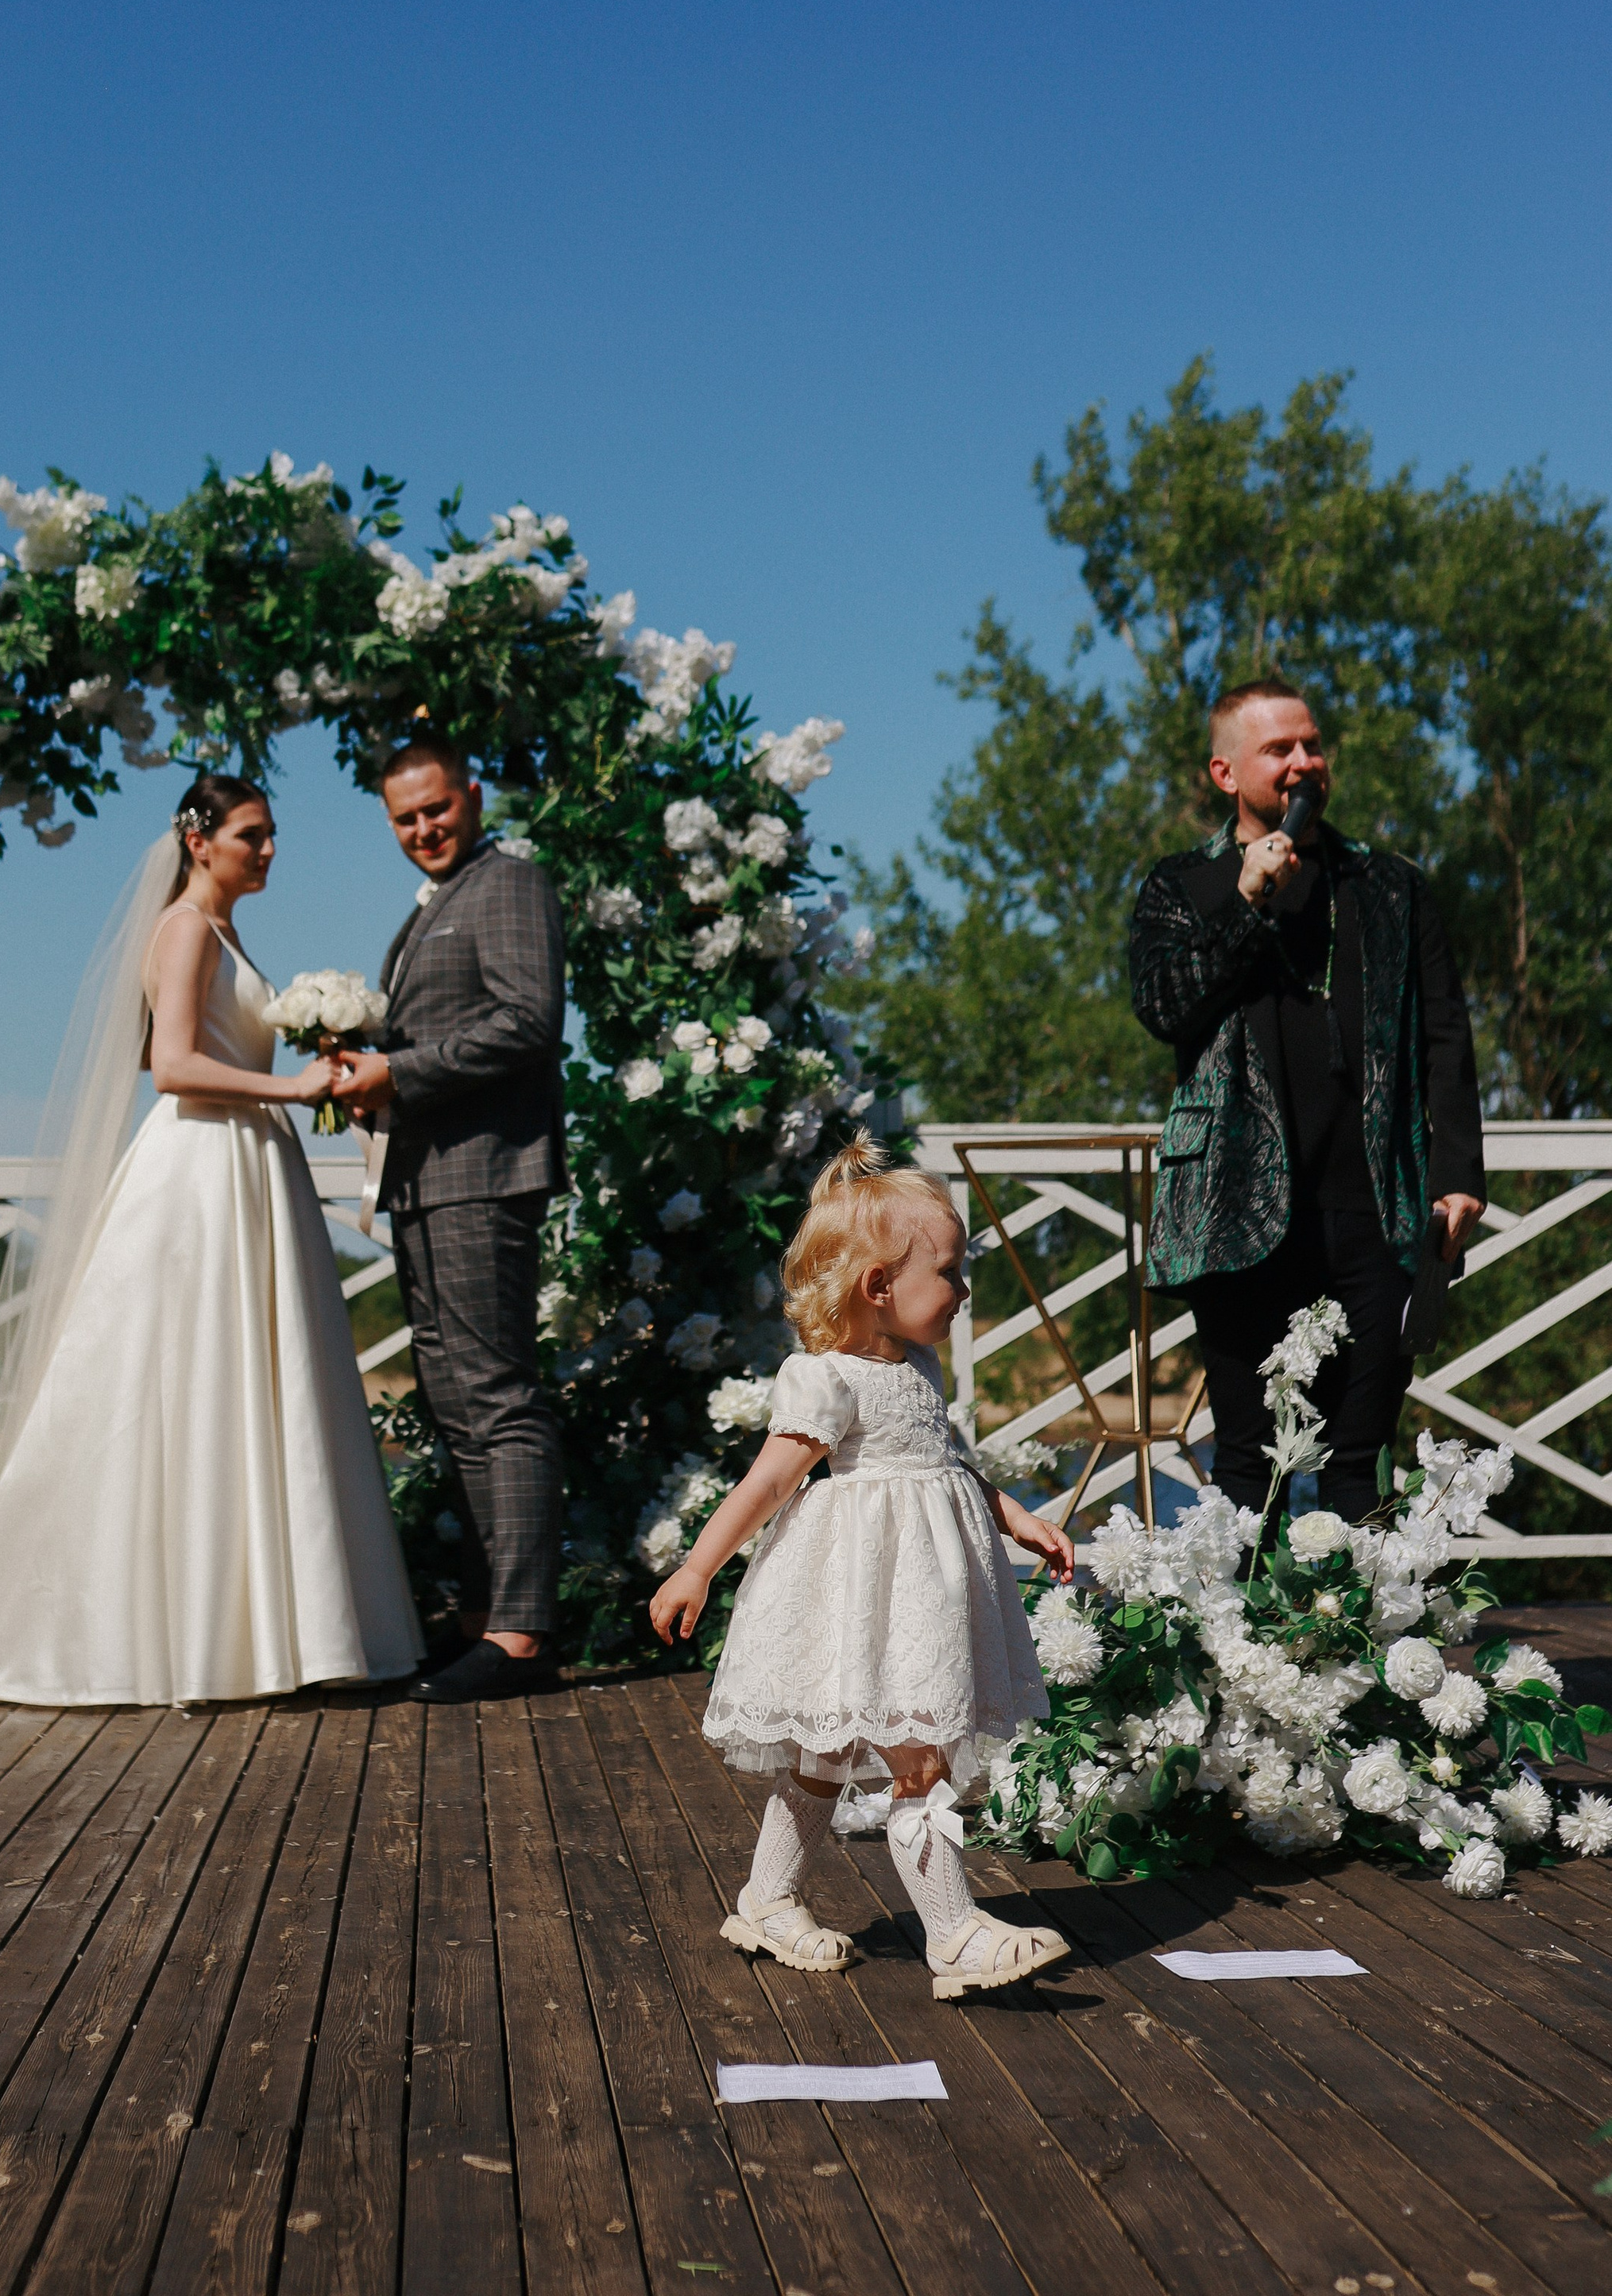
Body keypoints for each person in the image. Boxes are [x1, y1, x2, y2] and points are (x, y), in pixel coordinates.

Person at [0, 775, 423, 1704]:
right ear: (200, 841)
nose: (269, 850)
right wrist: (291, 1087)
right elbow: (169, 1066)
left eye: (272, 834)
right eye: (252, 835)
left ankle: (253, 1630)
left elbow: (168, 1044)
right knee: (183, 1381)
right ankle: (159, 1632)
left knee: (249, 1386)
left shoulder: (218, 932)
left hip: (245, 1165)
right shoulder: (184, 928)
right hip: (201, 1172)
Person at [650, 1136, 1074, 1999]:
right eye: (949, 1273)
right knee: (914, 1763)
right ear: (879, 1287)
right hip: (858, 1600)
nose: (963, 1290)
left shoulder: (919, 1369)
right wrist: (697, 1566)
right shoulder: (826, 1379)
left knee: (829, 1755)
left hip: (915, 1602)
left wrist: (1019, 1518)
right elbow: (769, 1483)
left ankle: (768, 1900)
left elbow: (947, 1467)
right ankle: (952, 1934)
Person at [1130, 677, 1486, 1522]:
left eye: (1312, 745)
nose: (1303, 763)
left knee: (1361, 1460)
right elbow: (1164, 1007)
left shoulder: (1389, 885)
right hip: (1235, 1211)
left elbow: (1445, 1033)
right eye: (1278, 749)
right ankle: (1243, 1617)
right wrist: (1247, 899)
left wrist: (1458, 1173)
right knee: (1250, 1465)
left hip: (1376, 1207)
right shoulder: (1184, 885)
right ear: (1226, 773)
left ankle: (1365, 1613)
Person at [330, 735, 566, 1703]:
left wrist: (400, 1070)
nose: (424, 828)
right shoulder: (435, 902)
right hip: (425, 1178)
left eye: (436, 808)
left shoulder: (507, 882)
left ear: (470, 795)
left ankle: (521, 1635)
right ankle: (482, 1621)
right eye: (405, 818)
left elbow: (528, 1019)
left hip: (484, 1172)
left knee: (499, 1398)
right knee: (456, 1404)